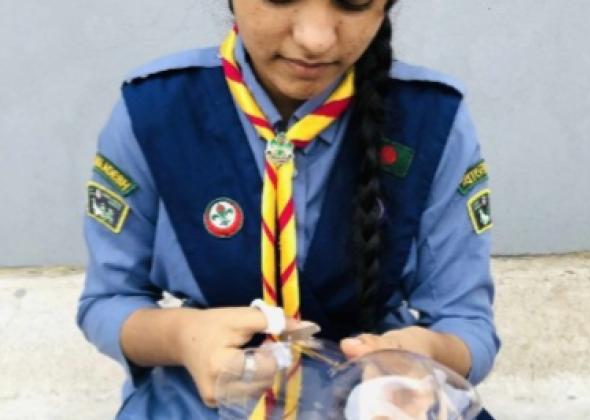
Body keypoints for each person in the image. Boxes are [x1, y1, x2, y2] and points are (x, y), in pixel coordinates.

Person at [77, 0, 500, 418]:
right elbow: (108, 300)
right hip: (199, 400)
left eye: (354, 2)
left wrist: (417, 357)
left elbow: (466, 324)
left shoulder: (431, 121)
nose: (315, 39)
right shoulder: (155, 112)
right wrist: (183, 338)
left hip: (373, 404)